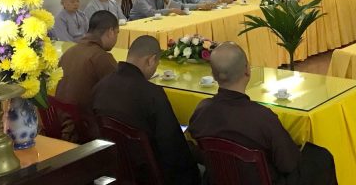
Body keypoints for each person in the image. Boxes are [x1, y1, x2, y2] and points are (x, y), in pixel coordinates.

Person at [188, 42, 337, 185]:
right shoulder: (262, 118)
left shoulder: (202, 110)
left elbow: (196, 151)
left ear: (213, 75)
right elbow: (289, 164)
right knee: (322, 158)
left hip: (219, 180)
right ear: (247, 70)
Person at [92, 36, 200, 185]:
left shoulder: (101, 86)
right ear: (151, 60)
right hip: (148, 176)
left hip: (114, 170)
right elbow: (173, 148)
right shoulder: (153, 94)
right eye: (156, 64)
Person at [56, 10, 119, 111]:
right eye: (117, 33)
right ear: (110, 32)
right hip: (81, 119)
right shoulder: (101, 57)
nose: (116, 38)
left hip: (58, 116)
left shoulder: (69, 52)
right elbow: (118, 91)